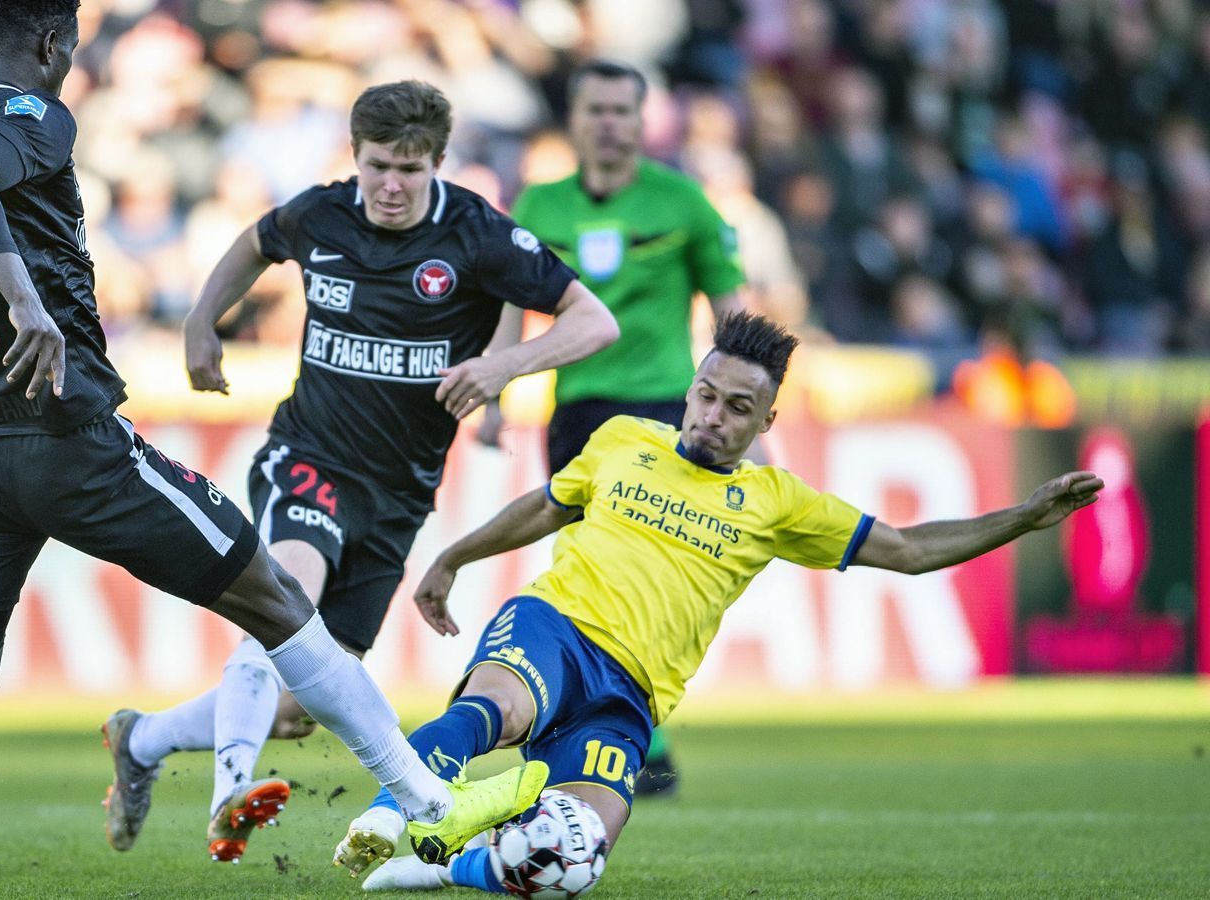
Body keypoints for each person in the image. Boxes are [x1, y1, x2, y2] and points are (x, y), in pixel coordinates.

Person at [0, 3, 549, 896]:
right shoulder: (33, 116)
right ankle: (428, 802)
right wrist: (20, 300)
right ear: (55, 43)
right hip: (72, 441)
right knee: (281, 603)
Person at [344, 312, 1103, 890]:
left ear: (766, 422)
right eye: (706, 395)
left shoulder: (776, 501)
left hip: (629, 697)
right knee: (496, 711)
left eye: (738, 407)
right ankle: (387, 811)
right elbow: (546, 505)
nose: (713, 415)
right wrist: (452, 557)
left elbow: (905, 549)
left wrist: (1023, 519)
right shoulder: (620, 440)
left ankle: (447, 866)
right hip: (556, 627)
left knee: (568, 864)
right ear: (690, 389)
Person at [106, 79, 619, 864]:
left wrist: (504, 367)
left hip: (397, 495)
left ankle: (141, 739)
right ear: (356, 156)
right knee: (283, 598)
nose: (390, 185)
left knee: (296, 704)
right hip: (308, 456)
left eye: (410, 171)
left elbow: (594, 320)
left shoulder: (478, 236)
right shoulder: (323, 213)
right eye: (378, 165)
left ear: (439, 165)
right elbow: (253, 243)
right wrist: (201, 319)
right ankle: (229, 794)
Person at [485, 58, 746, 797]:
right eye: (594, 109)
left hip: (669, 410)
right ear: (575, 119)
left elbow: (734, 315)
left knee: (654, 573)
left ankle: (637, 727)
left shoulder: (682, 201)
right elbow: (509, 308)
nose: (607, 123)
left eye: (620, 111)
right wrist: (495, 398)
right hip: (580, 412)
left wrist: (749, 406)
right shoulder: (540, 202)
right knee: (590, 574)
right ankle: (607, 728)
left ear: (641, 121)